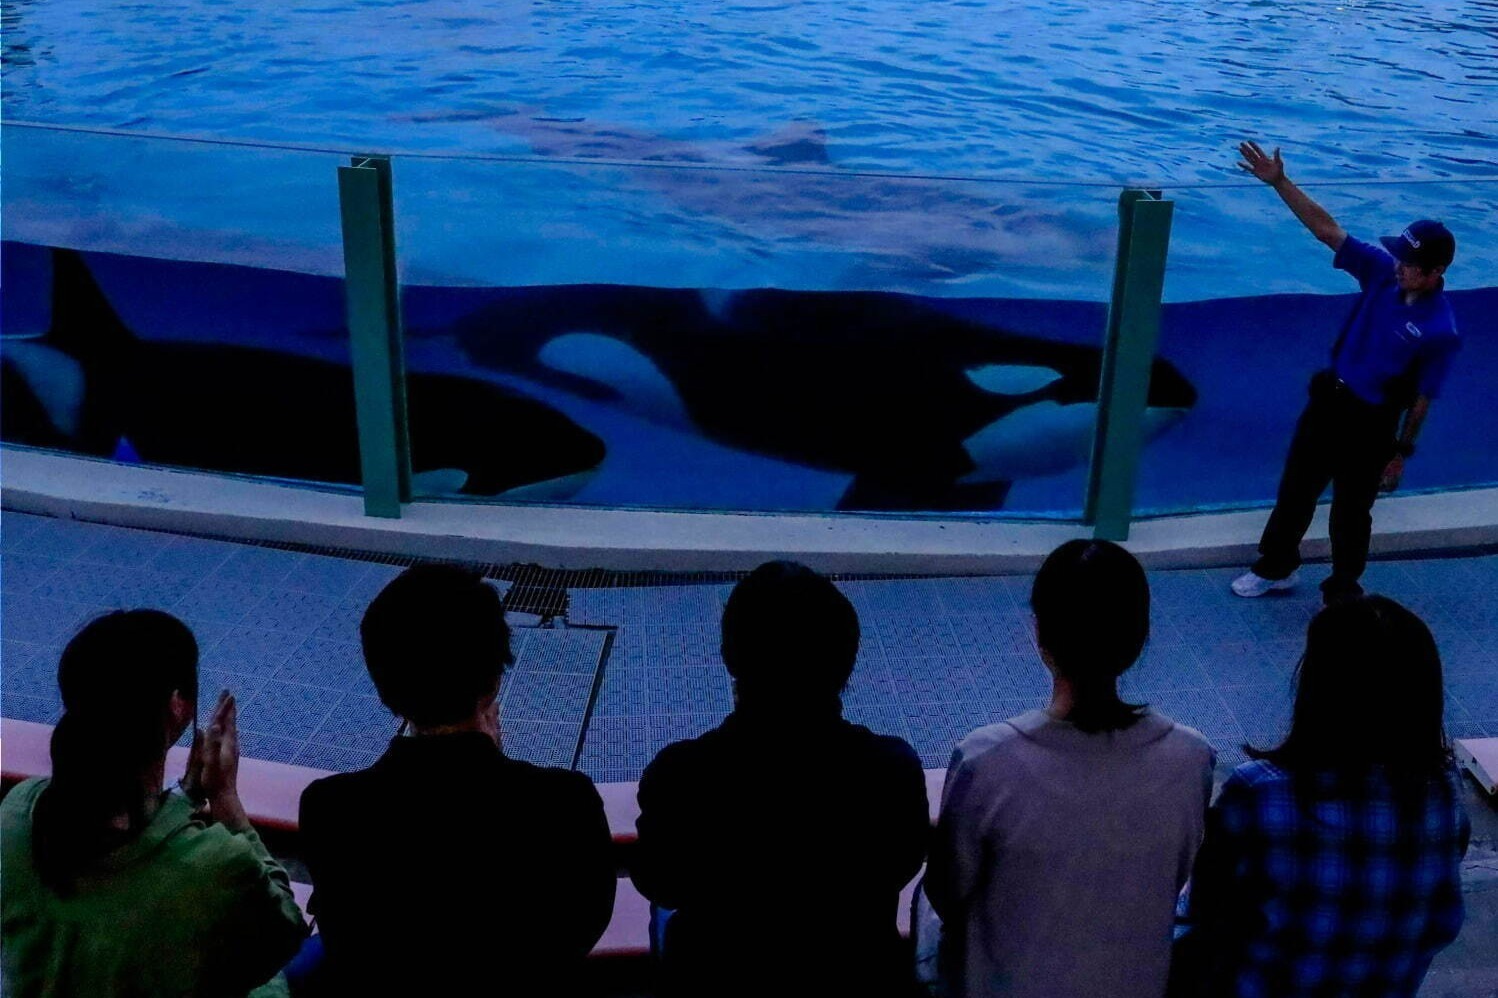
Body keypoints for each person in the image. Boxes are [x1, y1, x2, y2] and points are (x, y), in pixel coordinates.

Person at [297, 564, 616, 995]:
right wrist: (489, 760)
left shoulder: (331, 809)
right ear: (494, 683)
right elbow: (580, 931)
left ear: (384, 689)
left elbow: (351, 937)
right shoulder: (566, 804)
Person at [926, 539, 1215, 998]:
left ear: (1040, 634)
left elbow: (946, 893)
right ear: (1139, 637)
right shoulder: (1192, 758)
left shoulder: (987, 760)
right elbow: (1175, 877)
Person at [630, 560, 930, 998]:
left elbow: (659, 881)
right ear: (844, 662)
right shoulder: (892, 769)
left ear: (730, 657)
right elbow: (902, 864)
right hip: (856, 971)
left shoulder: (681, 774)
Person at [0, 610, 307, 998]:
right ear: (178, 705)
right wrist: (224, 796)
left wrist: (186, 795)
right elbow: (284, 930)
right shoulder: (213, 865)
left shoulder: (18, 810)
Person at [1176, 595, 1469, 997]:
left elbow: (1203, 906)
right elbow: (1439, 920)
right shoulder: (1445, 797)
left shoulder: (1260, 793)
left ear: (1317, 690)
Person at [1230, 140, 1461, 605]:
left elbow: (1423, 397)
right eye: (1400, 257)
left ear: (1435, 271)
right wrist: (1279, 183)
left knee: (1352, 511)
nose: (1400, 266)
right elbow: (1327, 230)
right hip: (1329, 401)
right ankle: (1276, 566)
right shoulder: (1381, 272)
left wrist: (1400, 454)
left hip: (1373, 423)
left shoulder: (1441, 329)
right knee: (1296, 490)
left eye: (1410, 263)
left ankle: (1343, 586)